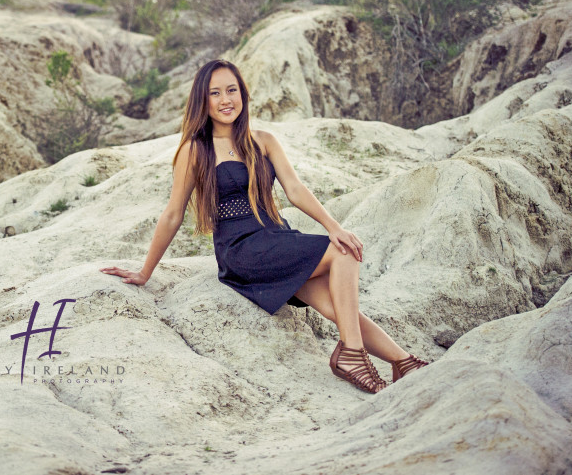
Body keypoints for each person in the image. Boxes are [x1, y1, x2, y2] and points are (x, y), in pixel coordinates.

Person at [100, 59, 429, 393]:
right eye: (215, 93)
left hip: (276, 237)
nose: (225, 99)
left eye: (232, 90)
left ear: (243, 94)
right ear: (203, 100)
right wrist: (145, 272)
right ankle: (352, 356)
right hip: (242, 249)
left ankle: (402, 362)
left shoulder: (264, 141)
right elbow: (173, 214)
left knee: (338, 307)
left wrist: (333, 226)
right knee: (343, 255)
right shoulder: (194, 150)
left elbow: (296, 190)